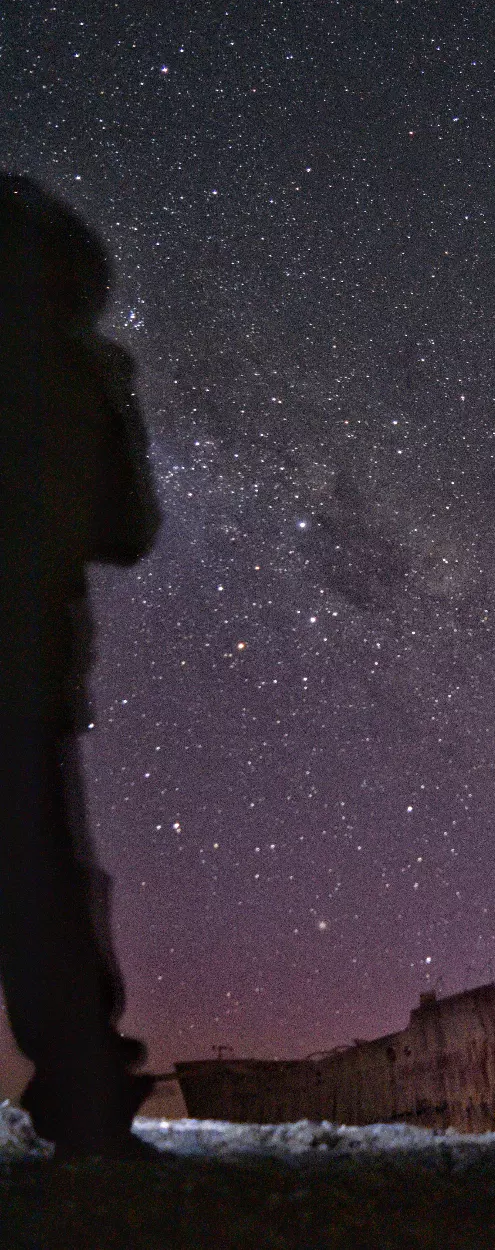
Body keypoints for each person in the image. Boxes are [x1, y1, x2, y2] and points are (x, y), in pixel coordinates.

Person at [0, 174, 161, 1157]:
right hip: (24, 656)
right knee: (39, 877)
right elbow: (127, 529)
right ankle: (85, 1097)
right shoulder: (82, 372)